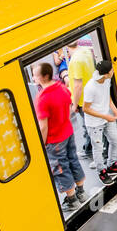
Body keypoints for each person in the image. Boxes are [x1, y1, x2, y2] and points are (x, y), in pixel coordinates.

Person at [34, 61, 86, 210]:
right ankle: (81, 192)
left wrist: (42, 143)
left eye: (35, 75)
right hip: (68, 132)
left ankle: (71, 200)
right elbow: (68, 106)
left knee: (60, 167)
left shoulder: (42, 98)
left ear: (44, 76)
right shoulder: (62, 88)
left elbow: (43, 126)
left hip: (55, 139)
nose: (33, 78)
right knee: (73, 160)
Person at [81, 59, 117, 186]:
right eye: (112, 69)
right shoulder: (90, 87)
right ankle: (101, 172)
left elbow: (107, 97)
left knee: (115, 140)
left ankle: (112, 165)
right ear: (106, 73)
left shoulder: (107, 80)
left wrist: (114, 110)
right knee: (98, 148)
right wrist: (105, 116)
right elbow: (85, 109)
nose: (113, 71)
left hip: (107, 116)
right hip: (94, 123)